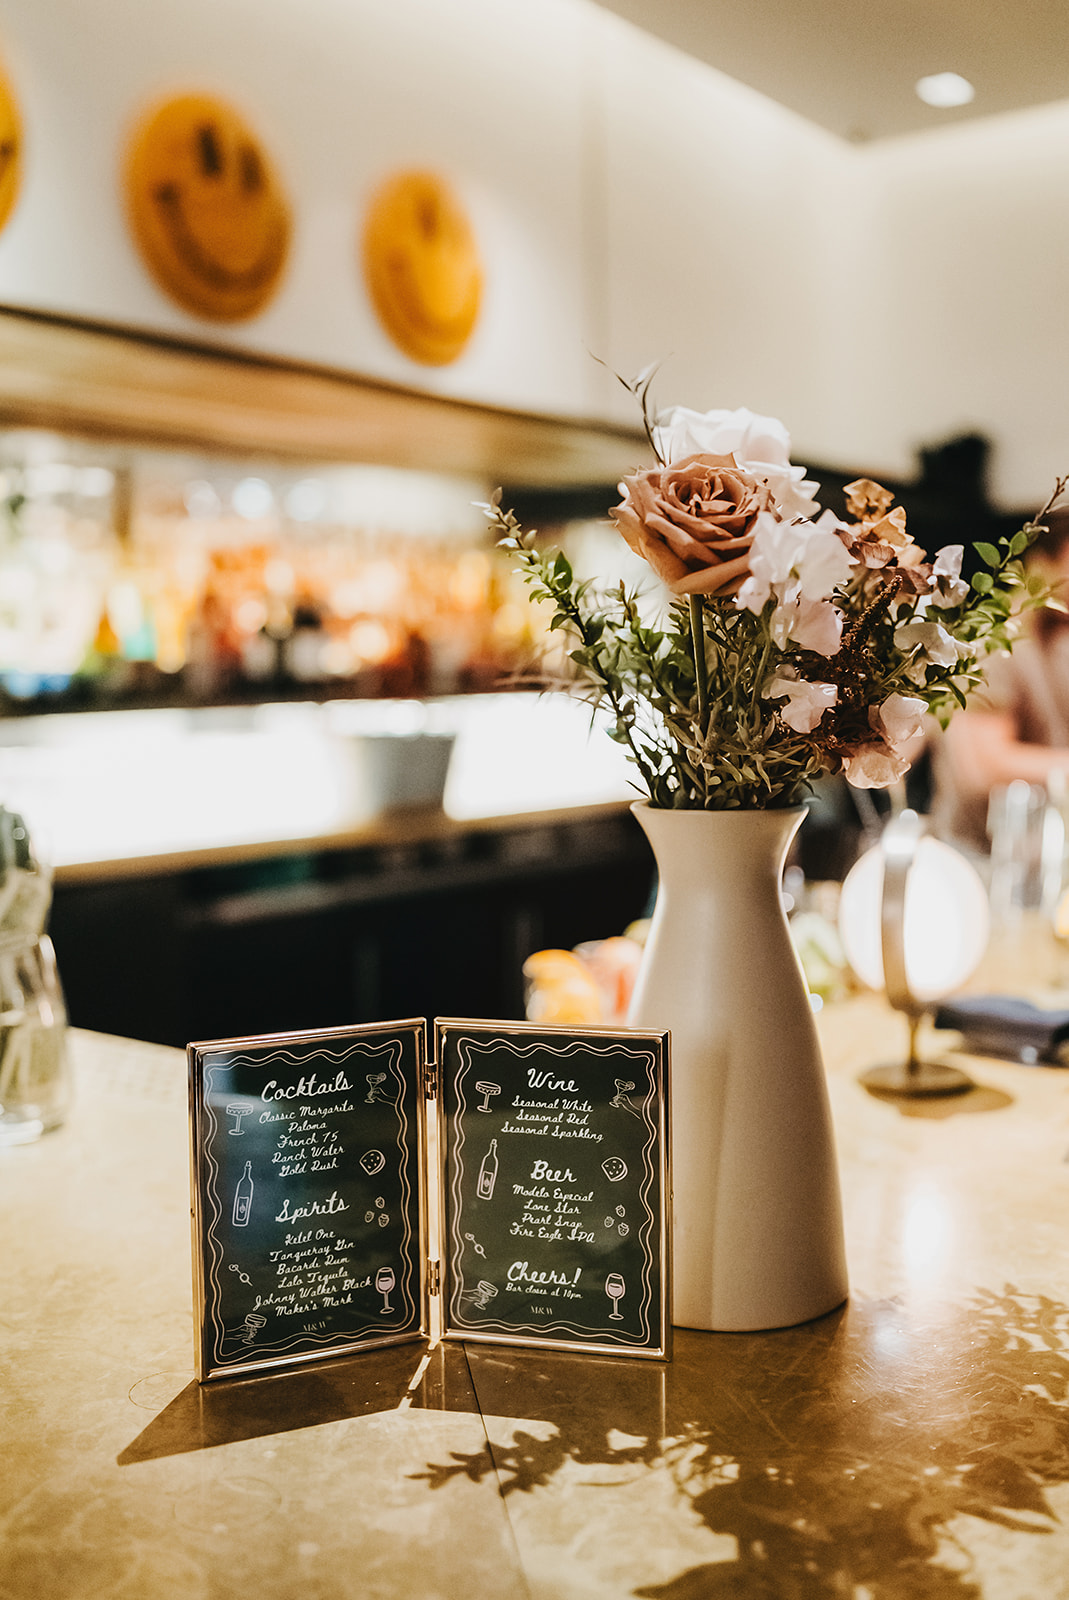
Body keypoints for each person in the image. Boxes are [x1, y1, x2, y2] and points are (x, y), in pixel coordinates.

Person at [931, 508, 1069, 852]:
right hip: (980, 855)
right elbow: (982, 763)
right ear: (1046, 562)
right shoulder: (999, 639)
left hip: (1048, 856)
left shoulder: (1059, 642)